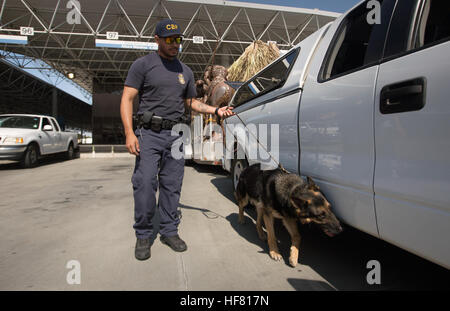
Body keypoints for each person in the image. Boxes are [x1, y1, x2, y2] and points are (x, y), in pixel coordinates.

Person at [120, 18, 234, 261]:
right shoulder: (143, 65)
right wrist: (129, 133)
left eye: (178, 40)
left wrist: (216, 110)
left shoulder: (186, 71)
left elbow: (191, 102)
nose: (175, 44)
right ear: (157, 40)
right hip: (148, 133)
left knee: (172, 185)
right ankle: (143, 233)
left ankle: (169, 231)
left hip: (176, 135)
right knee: (145, 184)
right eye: (169, 40)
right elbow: (127, 98)